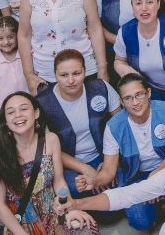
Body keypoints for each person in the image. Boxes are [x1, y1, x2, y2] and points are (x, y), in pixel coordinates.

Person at [76, 74, 165, 231]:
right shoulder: (113, 126)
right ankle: (158, 209)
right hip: (136, 176)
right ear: (122, 102)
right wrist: (95, 181)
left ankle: (164, 203)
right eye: (128, 98)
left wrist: (155, 178)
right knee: (140, 220)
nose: (135, 102)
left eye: (139, 94)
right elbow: (109, 170)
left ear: (149, 93)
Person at [0, 92, 97, 234]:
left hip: (51, 212)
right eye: (11, 112)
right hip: (17, 222)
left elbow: (59, 182)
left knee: (87, 228)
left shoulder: (50, 140)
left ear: (36, 113)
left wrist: (69, 208)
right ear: (5, 121)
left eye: (24, 109)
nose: (18, 115)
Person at [37, 49, 121, 199]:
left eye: (76, 73)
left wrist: (110, 163)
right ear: (55, 75)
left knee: (119, 181)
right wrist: (85, 169)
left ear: (85, 72)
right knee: (76, 188)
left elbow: (121, 126)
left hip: (103, 155)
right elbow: (46, 147)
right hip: (69, 162)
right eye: (64, 75)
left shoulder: (101, 88)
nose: (71, 80)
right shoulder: (43, 102)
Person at [0, 16, 29, 123]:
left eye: (10, 37)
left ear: (17, 36)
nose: (6, 42)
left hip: (28, 103)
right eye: (0, 38)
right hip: (6, 107)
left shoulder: (26, 55)